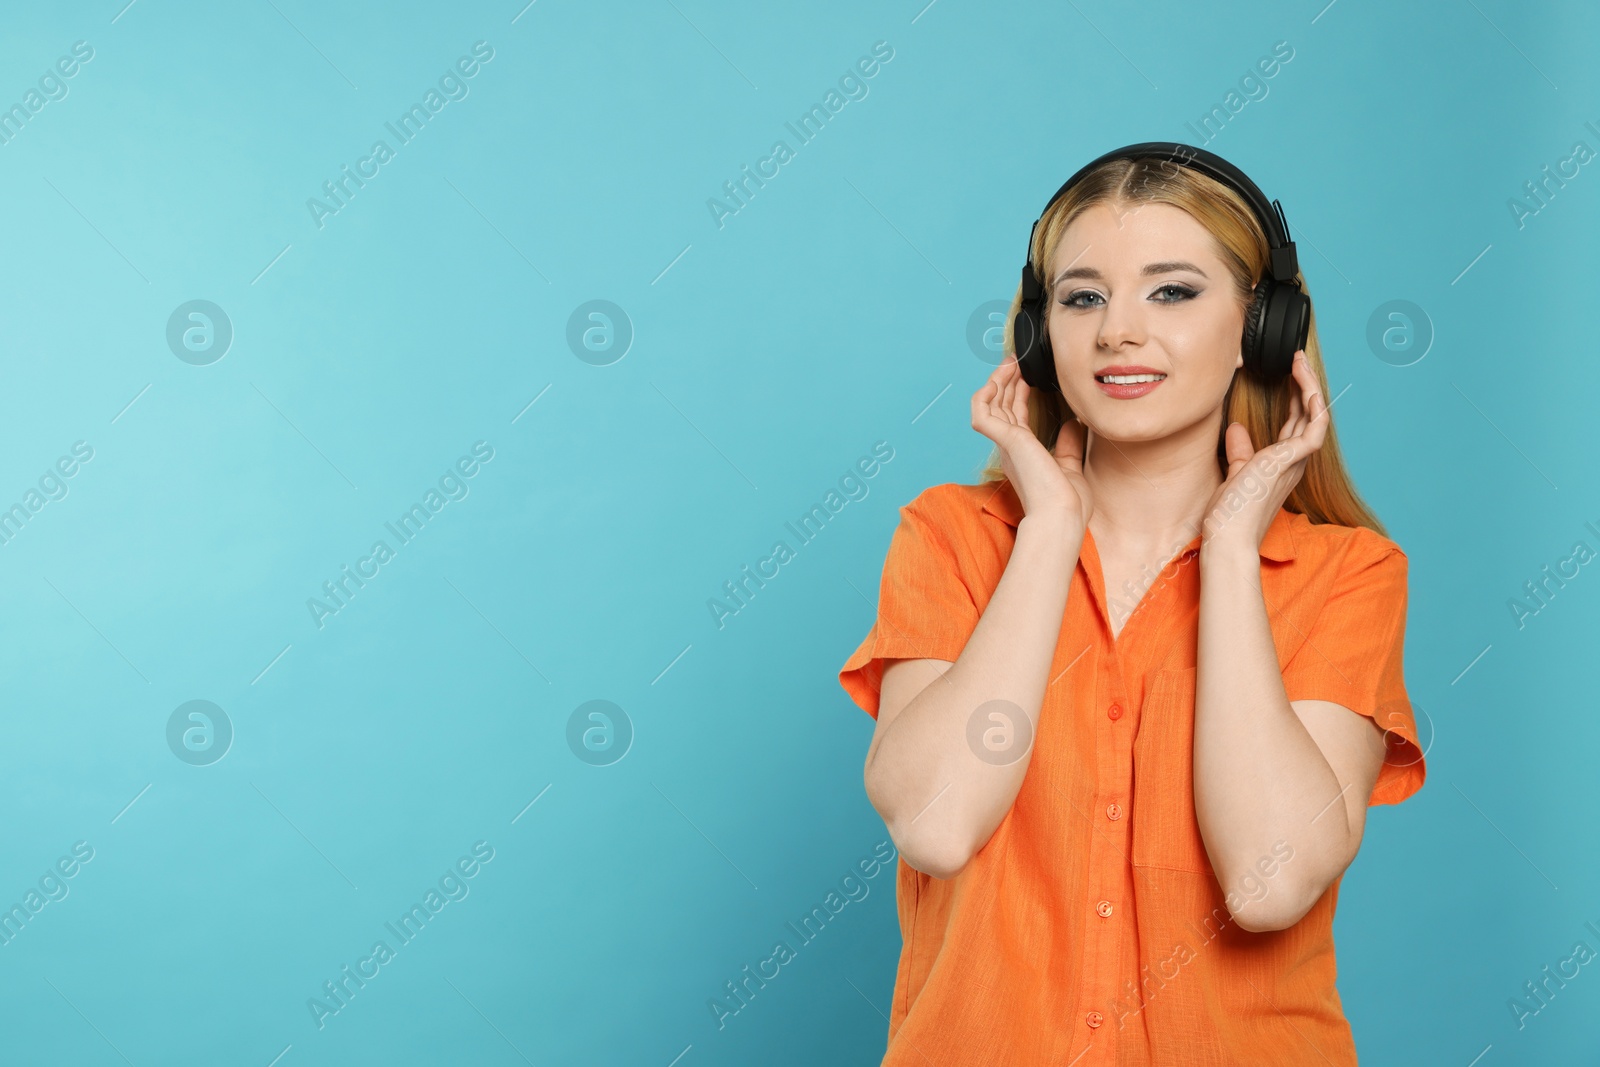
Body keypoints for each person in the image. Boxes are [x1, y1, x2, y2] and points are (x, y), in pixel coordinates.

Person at [837, 144, 1426, 1065]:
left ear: (1261, 329)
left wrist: (1231, 551)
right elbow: (937, 823)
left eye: (1173, 291)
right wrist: (1048, 534)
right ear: (1039, 338)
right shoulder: (952, 538)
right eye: (1081, 297)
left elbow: (1268, 885)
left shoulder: (1345, 573)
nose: (1117, 330)